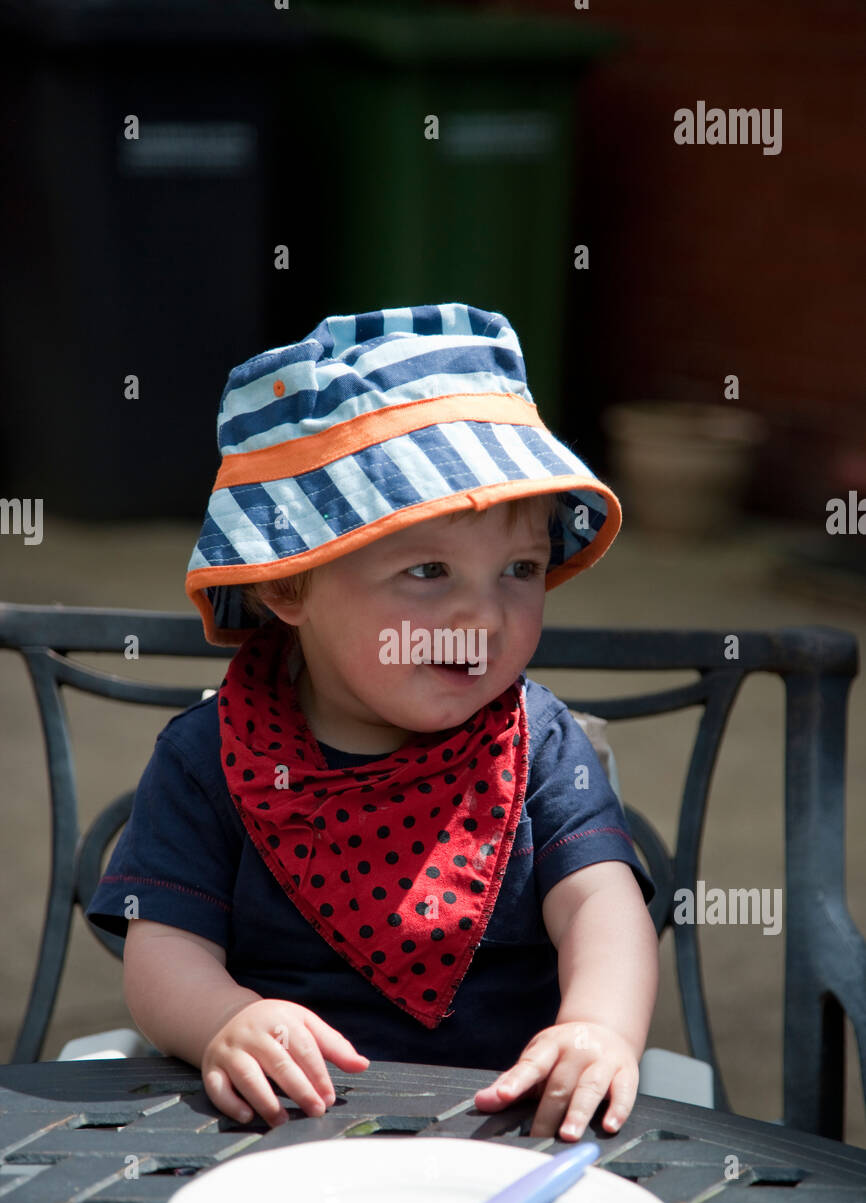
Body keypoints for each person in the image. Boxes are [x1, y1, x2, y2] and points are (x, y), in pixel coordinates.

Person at [87, 302, 658, 1144]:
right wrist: (222, 1021)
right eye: (428, 569)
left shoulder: (537, 744)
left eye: (521, 569)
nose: (484, 616)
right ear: (287, 586)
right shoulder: (211, 756)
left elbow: (601, 906)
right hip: (282, 1128)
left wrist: (599, 1027)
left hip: (505, 1126)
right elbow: (163, 948)